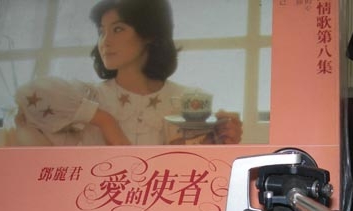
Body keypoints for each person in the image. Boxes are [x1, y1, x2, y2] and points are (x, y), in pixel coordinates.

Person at [14, 0, 243, 146]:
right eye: (102, 32)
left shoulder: (187, 100)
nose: (105, 42)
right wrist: (105, 121)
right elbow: (27, 95)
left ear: (149, 34)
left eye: (117, 29)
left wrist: (222, 141)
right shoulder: (91, 98)